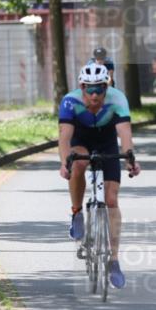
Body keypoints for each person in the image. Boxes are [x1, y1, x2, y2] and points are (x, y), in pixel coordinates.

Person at [58, 63, 141, 288]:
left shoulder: (118, 99)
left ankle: (113, 260)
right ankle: (76, 213)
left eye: (99, 89)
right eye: (90, 89)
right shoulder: (70, 101)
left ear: (107, 87)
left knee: (112, 200)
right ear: (82, 87)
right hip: (81, 142)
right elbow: (64, 138)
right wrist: (64, 162)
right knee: (77, 164)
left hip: (106, 144)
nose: (95, 95)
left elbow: (125, 134)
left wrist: (131, 159)